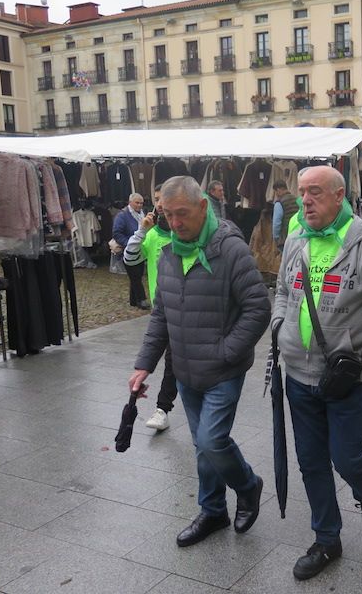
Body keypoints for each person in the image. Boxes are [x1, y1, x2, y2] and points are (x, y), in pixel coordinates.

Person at [272, 166, 362, 580]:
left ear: (339, 195)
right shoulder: (295, 239)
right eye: (301, 193)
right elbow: (280, 291)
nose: (305, 200)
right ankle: (326, 539)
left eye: (315, 192)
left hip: (346, 377)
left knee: (347, 458)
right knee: (311, 462)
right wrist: (281, 328)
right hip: (297, 374)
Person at [128, 175, 270, 548]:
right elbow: (161, 314)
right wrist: (144, 364)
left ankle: (248, 484)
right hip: (186, 370)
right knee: (200, 444)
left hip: (223, 369)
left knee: (210, 439)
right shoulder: (170, 250)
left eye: (182, 214)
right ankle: (212, 510)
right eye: (167, 214)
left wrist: (225, 351)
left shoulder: (231, 250)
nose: (174, 223)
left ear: (203, 206)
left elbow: (258, 309)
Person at [124, 184, 176, 431]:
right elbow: (130, 258)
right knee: (172, 359)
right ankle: (163, 408)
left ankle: (163, 408)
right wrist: (141, 231)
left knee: (173, 359)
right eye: (155, 199)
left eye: (162, 199)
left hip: (185, 307)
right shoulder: (153, 234)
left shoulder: (184, 233)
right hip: (161, 308)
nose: (159, 204)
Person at [113, 193, 149, 310]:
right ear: (130, 202)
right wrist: (129, 243)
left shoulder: (142, 214)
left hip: (141, 251)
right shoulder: (122, 216)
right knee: (136, 276)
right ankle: (141, 299)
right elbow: (117, 233)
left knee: (136, 275)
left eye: (141, 203)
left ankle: (133, 300)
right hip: (129, 250)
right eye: (137, 203)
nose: (139, 205)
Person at [271, 179, 299, 249]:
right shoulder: (296, 199)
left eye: (275, 192)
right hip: (298, 236)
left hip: (285, 239)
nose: (276, 194)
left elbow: (276, 223)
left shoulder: (279, 203)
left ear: (278, 190)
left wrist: (276, 238)